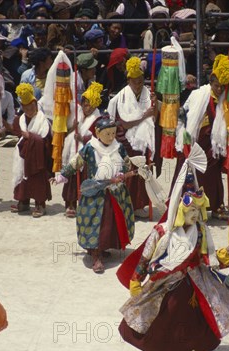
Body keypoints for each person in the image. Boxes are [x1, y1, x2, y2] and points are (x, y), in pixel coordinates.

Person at [117, 156, 229, 351]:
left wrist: (226, 255)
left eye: (198, 211)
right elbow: (145, 258)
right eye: (191, 210)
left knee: (192, 320)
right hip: (166, 283)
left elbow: (206, 258)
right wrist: (136, 280)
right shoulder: (163, 232)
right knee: (167, 318)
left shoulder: (200, 231)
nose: (195, 214)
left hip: (194, 281)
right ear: (180, 208)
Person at [55, 115, 135, 273]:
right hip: (94, 193)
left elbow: (126, 163)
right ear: (98, 133)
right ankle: (96, 256)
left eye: (113, 133)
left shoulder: (118, 147)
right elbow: (75, 162)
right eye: (107, 134)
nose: (111, 137)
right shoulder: (90, 147)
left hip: (115, 191)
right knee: (95, 223)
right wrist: (62, 175)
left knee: (110, 222)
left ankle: (105, 247)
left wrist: (123, 173)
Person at [171, 54, 229, 216]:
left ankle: (215, 205)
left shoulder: (224, 100)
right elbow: (184, 116)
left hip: (211, 144)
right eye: (216, 86)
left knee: (212, 173)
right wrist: (186, 142)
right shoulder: (199, 95)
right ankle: (184, 205)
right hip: (194, 140)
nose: (219, 89)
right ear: (211, 83)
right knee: (186, 170)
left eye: (222, 87)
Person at [107, 56, 156, 217]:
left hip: (143, 140)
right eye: (135, 81)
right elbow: (125, 123)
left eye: (141, 81)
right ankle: (125, 205)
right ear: (128, 81)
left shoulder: (148, 95)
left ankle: (139, 205)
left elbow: (154, 118)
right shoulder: (120, 98)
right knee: (127, 172)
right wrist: (145, 115)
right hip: (125, 139)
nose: (138, 84)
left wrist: (154, 109)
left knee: (142, 171)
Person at [11, 83, 53, 218]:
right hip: (24, 156)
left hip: (38, 158)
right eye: (26, 107)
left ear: (35, 103)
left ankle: (40, 205)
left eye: (31, 106)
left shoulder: (43, 121)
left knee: (37, 181)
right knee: (23, 178)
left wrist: (31, 137)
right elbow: (17, 132)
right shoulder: (20, 120)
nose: (29, 110)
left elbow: (45, 141)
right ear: (22, 107)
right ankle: (23, 202)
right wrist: (26, 139)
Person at [62, 82, 103, 218]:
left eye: (91, 104)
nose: (87, 107)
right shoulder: (77, 113)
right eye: (85, 103)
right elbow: (66, 131)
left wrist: (81, 139)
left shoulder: (98, 118)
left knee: (86, 179)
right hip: (74, 153)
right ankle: (71, 203)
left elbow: (98, 138)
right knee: (72, 178)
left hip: (89, 155)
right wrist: (72, 128)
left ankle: (86, 204)